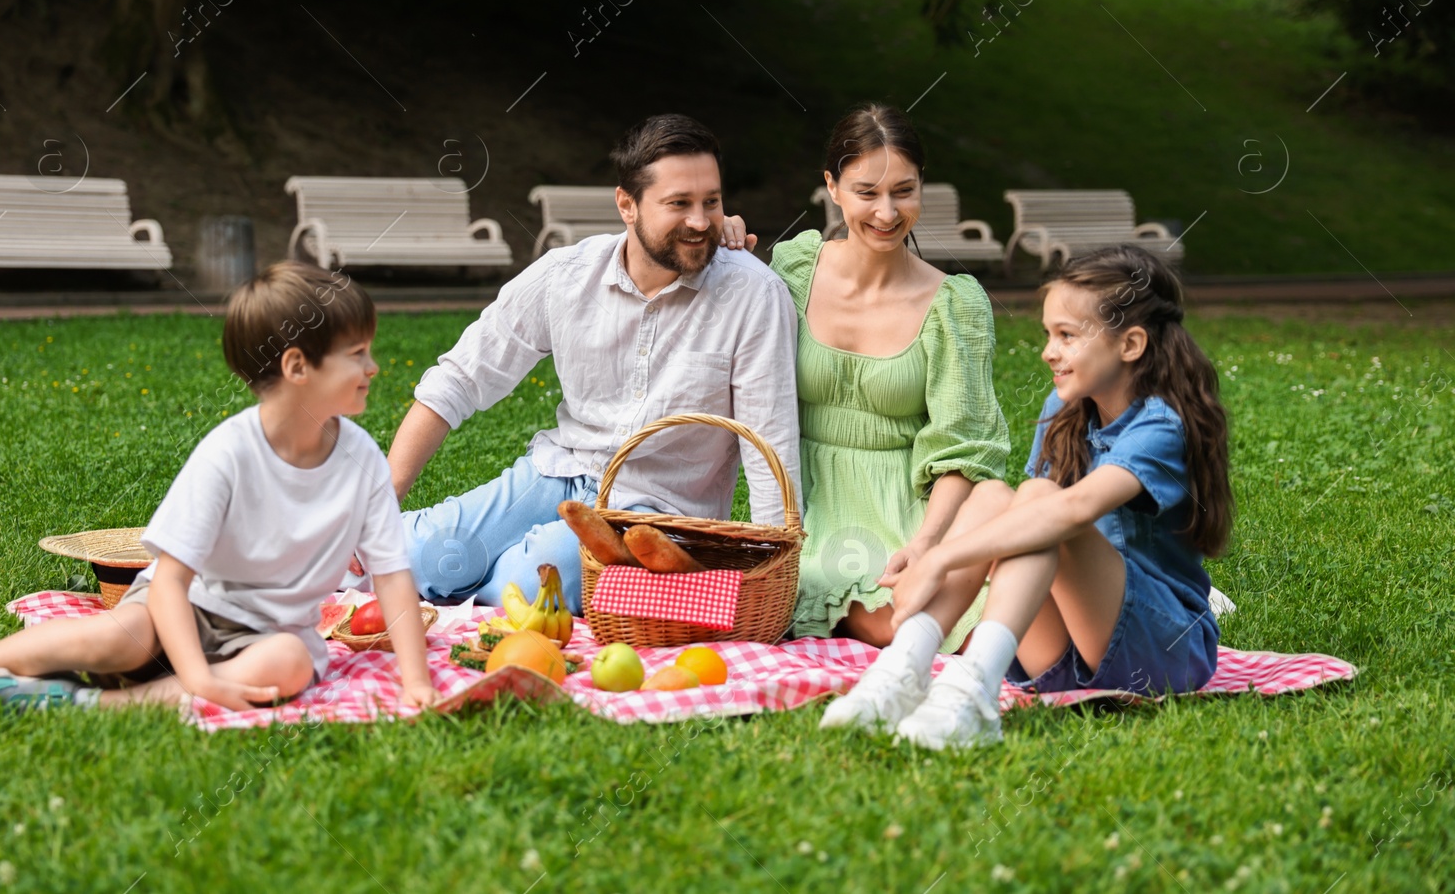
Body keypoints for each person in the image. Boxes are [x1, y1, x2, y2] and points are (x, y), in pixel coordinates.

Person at [0, 262, 437, 720]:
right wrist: (198, 678)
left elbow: (390, 574)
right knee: (124, 637)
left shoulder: (361, 460)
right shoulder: (228, 453)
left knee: (287, 663)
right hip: (176, 610)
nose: (374, 366)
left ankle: (80, 705)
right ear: (296, 366)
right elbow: (171, 585)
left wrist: (415, 683)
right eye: (357, 353)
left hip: (266, 637)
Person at [359, 113, 801, 614]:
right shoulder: (567, 275)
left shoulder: (754, 294)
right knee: (411, 555)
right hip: (556, 474)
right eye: (679, 204)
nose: (701, 221)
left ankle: (508, 581)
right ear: (626, 205)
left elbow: (770, 443)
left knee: (530, 581)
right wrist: (384, 502)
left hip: (655, 512)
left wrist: (774, 576)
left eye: (712, 202)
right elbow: (459, 379)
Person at [821, 244, 1233, 748]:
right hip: (1064, 659)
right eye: (1047, 334)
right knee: (995, 494)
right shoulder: (1063, 410)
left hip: (1164, 653)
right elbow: (1029, 523)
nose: (1047, 351)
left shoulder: (1162, 426)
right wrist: (928, 548)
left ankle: (972, 693)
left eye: (1066, 336)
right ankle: (904, 668)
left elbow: (1073, 510)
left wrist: (941, 556)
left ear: (1130, 344)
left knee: (1039, 498)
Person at [726, 103, 1010, 647]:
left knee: (1000, 618)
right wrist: (723, 236)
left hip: (915, 506)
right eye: (866, 192)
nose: (886, 212)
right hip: (809, 508)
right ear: (831, 186)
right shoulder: (792, 270)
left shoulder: (956, 305)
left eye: (904, 190)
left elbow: (965, 447)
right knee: (913, 624)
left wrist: (926, 543)